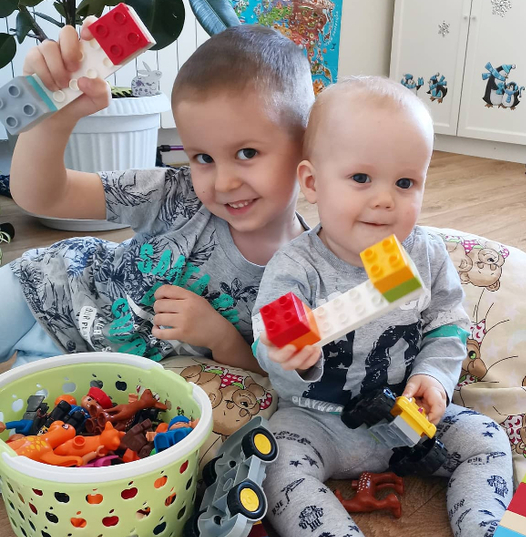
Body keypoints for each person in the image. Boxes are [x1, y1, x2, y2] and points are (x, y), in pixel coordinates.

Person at [253, 76, 526, 537]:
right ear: (312, 183)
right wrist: (288, 353)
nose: (385, 200)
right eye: (361, 179)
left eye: (405, 182)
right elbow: (269, 336)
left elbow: (448, 324)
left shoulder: (423, 254)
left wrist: (434, 378)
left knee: (485, 438)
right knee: (273, 463)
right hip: (319, 422)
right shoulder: (295, 268)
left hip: (407, 416)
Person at [4, 23, 314, 370]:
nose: (224, 183)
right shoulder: (175, 193)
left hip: (92, 372)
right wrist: (53, 120)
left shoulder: (308, 272)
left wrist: (221, 338)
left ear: (307, 146)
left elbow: (278, 373)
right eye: (203, 158)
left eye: (247, 153)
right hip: (44, 289)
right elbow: (46, 197)